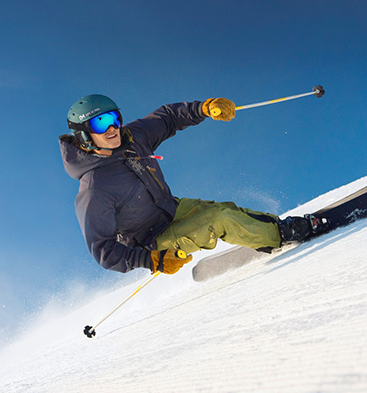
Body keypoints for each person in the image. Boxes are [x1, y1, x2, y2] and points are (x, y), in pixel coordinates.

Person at [60, 94, 327, 274]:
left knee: (226, 209)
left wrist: (204, 108)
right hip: (151, 241)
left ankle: (270, 230)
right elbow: (103, 250)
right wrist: (150, 260)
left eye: (114, 118)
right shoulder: (95, 188)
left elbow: (167, 118)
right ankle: (283, 235)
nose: (112, 128)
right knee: (218, 219)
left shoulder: (133, 138)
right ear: (84, 134)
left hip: (171, 209)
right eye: (100, 122)